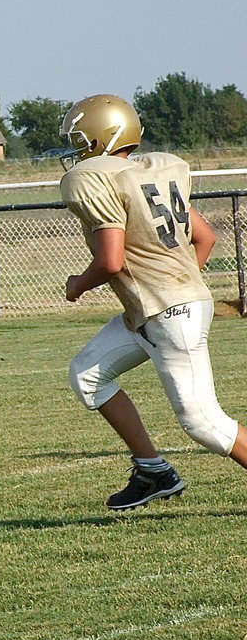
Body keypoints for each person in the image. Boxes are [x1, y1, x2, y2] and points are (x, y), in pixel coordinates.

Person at [59, 93, 247, 510]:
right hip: (152, 311)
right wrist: (178, 288)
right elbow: (205, 238)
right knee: (87, 375)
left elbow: (110, 261)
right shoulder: (151, 174)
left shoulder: (99, 180)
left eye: (80, 141)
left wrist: (77, 285)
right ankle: (153, 470)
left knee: (203, 422)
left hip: (167, 313)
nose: (75, 152)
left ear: (99, 139)